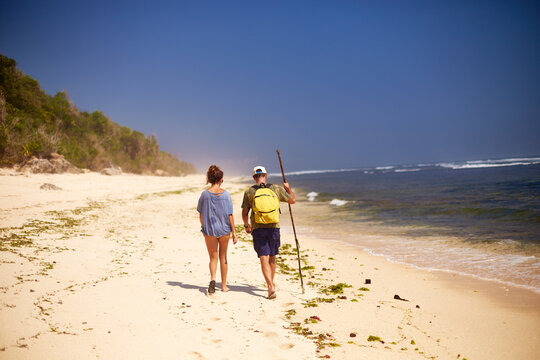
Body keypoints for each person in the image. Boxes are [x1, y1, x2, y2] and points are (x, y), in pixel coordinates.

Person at [241, 166, 295, 299]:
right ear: (266, 175)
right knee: (272, 256)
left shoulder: (249, 191)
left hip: (258, 227)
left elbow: (244, 212)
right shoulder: (275, 189)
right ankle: (271, 282)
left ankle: (270, 286)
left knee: (263, 256)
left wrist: (247, 225)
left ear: (254, 177)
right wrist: (288, 188)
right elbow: (292, 200)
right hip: (273, 226)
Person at [197, 165, 237, 295]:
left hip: (209, 231)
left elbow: (201, 214)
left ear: (209, 179)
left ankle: (213, 280)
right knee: (223, 257)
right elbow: (230, 215)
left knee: (213, 258)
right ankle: (224, 286)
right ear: (220, 179)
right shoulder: (226, 195)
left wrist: (204, 228)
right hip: (224, 230)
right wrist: (234, 233)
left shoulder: (204, 195)